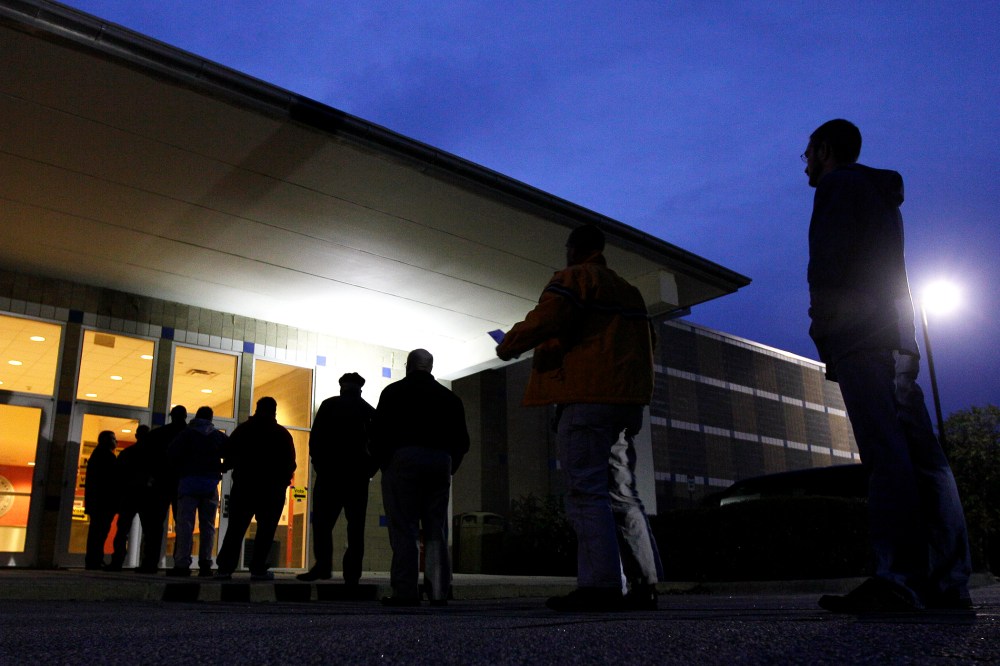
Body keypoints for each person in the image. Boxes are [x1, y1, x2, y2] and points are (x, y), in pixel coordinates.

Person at [802, 119, 972, 613]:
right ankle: (947, 581)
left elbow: (829, 265)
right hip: (896, 336)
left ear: (825, 150)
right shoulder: (881, 196)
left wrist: (825, 331)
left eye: (807, 152)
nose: (805, 163)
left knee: (885, 455)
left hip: (861, 338)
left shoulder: (836, 186)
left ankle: (898, 578)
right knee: (926, 460)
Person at [496, 224, 662, 612]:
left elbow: (547, 318)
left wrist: (508, 344)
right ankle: (644, 584)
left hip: (586, 398)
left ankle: (600, 586)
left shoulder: (575, 278)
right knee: (623, 493)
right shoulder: (630, 292)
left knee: (585, 492)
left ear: (574, 249)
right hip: (625, 404)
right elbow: (649, 343)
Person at [371, 349, 470, 607]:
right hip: (440, 460)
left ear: (409, 366)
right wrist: (450, 466)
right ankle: (438, 591)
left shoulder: (393, 392)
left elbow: (378, 432)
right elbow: (462, 440)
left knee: (405, 527)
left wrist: (384, 463)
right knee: (436, 528)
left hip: (403, 458)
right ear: (431, 367)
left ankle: (406, 591)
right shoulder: (450, 398)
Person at [297, 372, 377, 584]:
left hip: (330, 475)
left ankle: (322, 566)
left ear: (341, 386)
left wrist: (319, 464)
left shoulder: (329, 405)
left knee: (322, 523)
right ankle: (352, 574)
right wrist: (370, 470)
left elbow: (315, 439)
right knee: (355, 527)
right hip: (357, 477)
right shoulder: (368, 410)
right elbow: (378, 445)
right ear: (360, 388)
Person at [215, 397, 297, 581]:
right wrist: (282, 482)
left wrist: (226, 466)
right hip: (271, 490)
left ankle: (225, 568)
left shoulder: (244, 430)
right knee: (266, 531)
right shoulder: (281, 434)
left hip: (245, 487)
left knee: (236, 529)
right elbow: (290, 463)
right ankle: (258, 568)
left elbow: (228, 452)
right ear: (274, 411)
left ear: (257, 409)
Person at [167, 406, 226, 577]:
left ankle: (182, 564)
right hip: (209, 484)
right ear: (211, 418)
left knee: (185, 525)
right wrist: (222, 466)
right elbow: (232, 450)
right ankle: (205, 564)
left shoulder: (186, 434)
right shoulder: (216, 436)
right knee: (207, 526)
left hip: (188, 482)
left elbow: (171, 453)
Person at [135, 405, 188, 573]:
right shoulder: (189, 435)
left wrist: (151, 477)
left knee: (155, 525)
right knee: (182, 524)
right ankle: (180, 563)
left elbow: (146, 458)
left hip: (161, 483)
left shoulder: (158, 434)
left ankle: (150, 562)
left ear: (171, 416)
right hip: (181, 483)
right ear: (185, 416)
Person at [106, 424, 150, 571]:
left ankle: (117, 561)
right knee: (149, 531)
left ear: (136, 436)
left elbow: (117, 476)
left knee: (122, 530)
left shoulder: (127, 453)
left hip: (129, 495)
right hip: (145, 496)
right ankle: (147, 563)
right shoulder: (153, 455)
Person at [83, 430, 119, 570]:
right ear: (106, 440)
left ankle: (94, 559)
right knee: (99, 532)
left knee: (97, 532)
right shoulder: (106, 457)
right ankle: (94, 560)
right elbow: (111, 481)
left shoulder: (97, 455)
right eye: (113, 439)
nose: (116, 442)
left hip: (98, 502)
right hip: (103, 502)